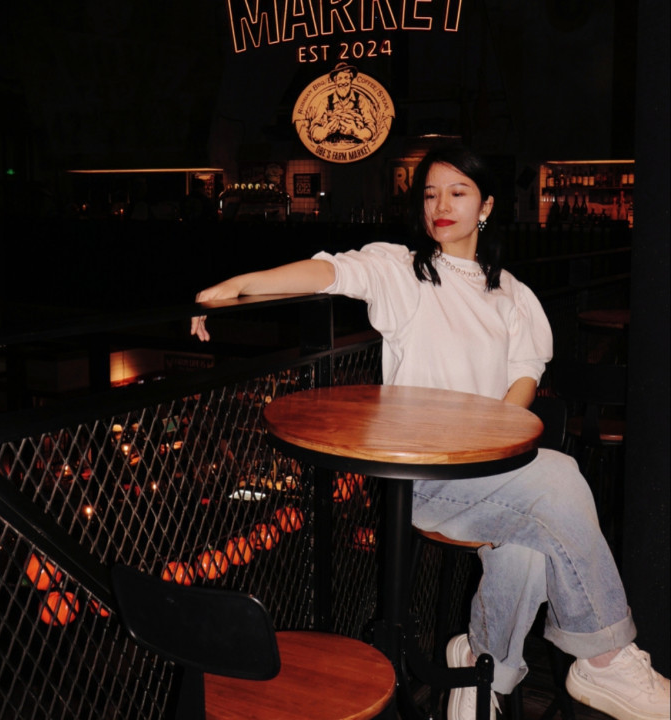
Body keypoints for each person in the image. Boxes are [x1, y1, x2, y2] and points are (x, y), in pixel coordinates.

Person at [190, 143, 669, 720]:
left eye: (458, 193)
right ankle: (605, 659)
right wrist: (243, 283)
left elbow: (524, 378)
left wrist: (491, 443)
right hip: (419, 477)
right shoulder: (405, 273)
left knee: (527, 545)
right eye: (431, 194)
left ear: (486, 206)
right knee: (561, 475)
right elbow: (333, 271)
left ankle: (483, 671)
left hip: (487, 472)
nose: (441, 206)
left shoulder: (514, 295)